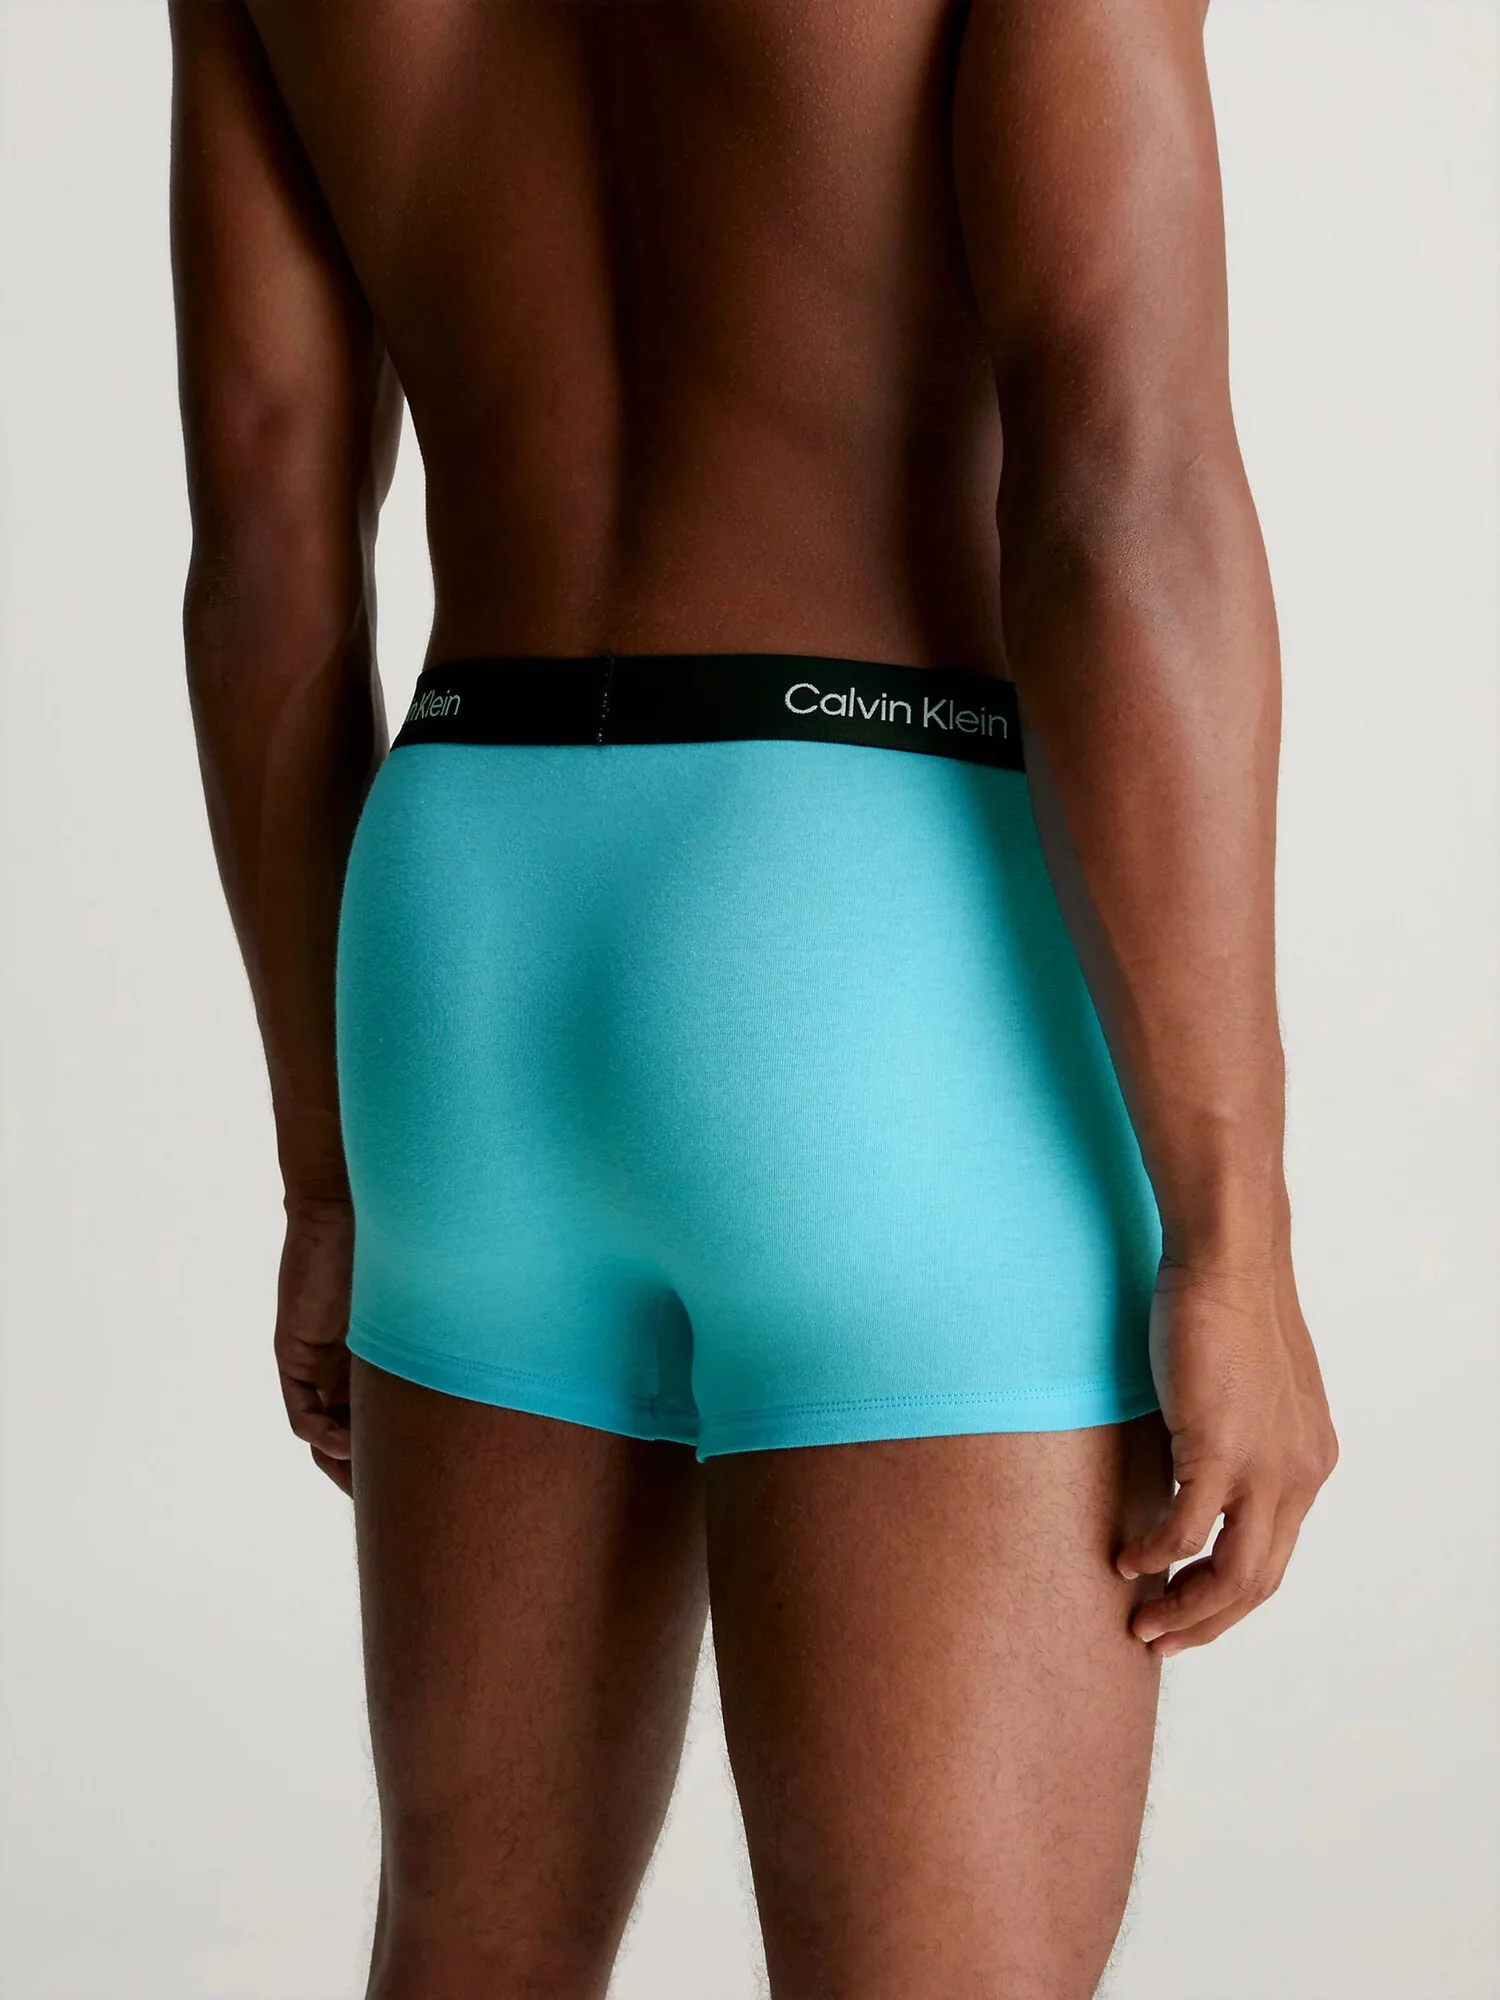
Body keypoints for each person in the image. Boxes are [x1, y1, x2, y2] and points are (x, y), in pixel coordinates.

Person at [167, 1, 1337, 1993]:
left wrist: (329, 1164)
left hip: (463, 941)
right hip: (875, 925)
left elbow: (270, 535)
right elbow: (1119, 491)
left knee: (468, 1951)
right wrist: (1232, 1216)